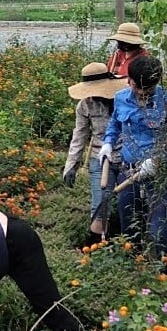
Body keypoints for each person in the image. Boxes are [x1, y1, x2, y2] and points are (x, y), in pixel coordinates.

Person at [100, 56, 167, 276]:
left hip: (159, 175)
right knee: (128, 222)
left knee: (159, 230)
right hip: (129, 169)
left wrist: (158, 159)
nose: (141, 93)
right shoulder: (121, 98)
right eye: (137, 87)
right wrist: (108, 142)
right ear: (128, 80)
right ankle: (133, 269)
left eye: (147, 89)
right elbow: (115, 123)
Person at [62, 62, 127, 244]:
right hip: (99, 157)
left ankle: (130, 246)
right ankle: (96, 248)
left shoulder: (124, 100)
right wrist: (71, 166)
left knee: (128, 204)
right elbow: (79, 136)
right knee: (100, 204)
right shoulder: (84, 106)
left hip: (126, 157)